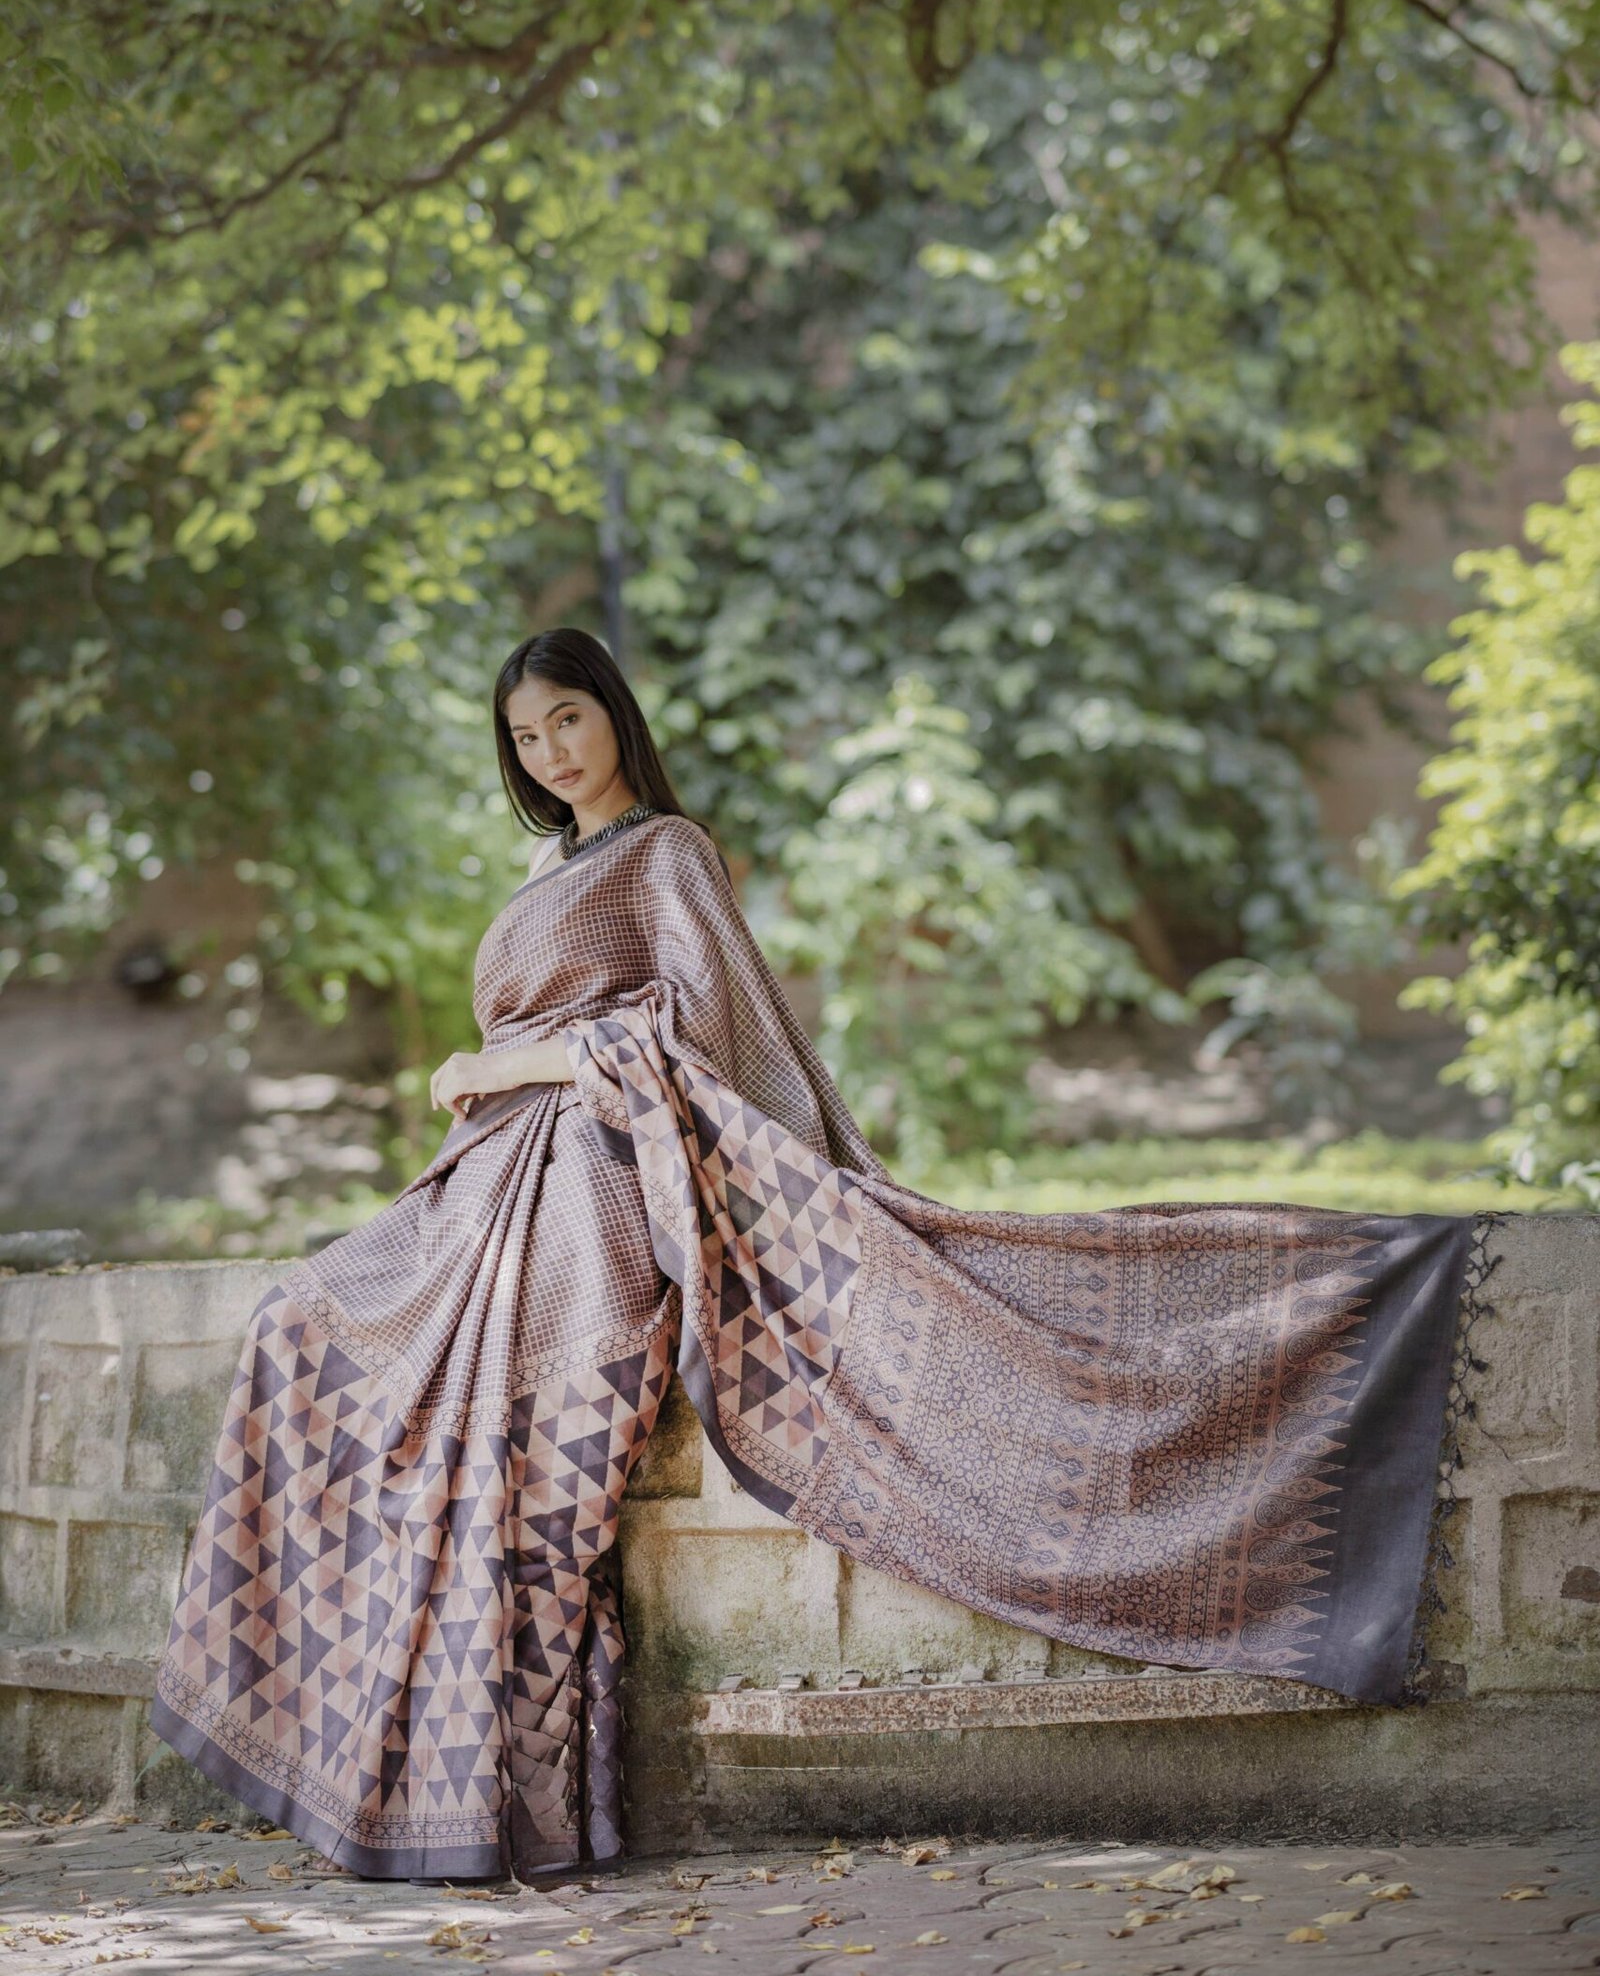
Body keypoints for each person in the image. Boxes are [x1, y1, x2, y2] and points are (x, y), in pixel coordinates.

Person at [151, 629, 1476, 1883]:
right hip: (495, 1175)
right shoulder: (550, 872)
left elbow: (681, 1039)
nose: (551, 750)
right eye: (526, 735)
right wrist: (490, 1087)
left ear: (615, 715)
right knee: (300, 1323)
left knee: (517, 1453)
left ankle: (495, 1790)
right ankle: (341, 1724)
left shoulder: (666, 852)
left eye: (568, 718)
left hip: (599, 1176)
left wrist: (494, 1065)